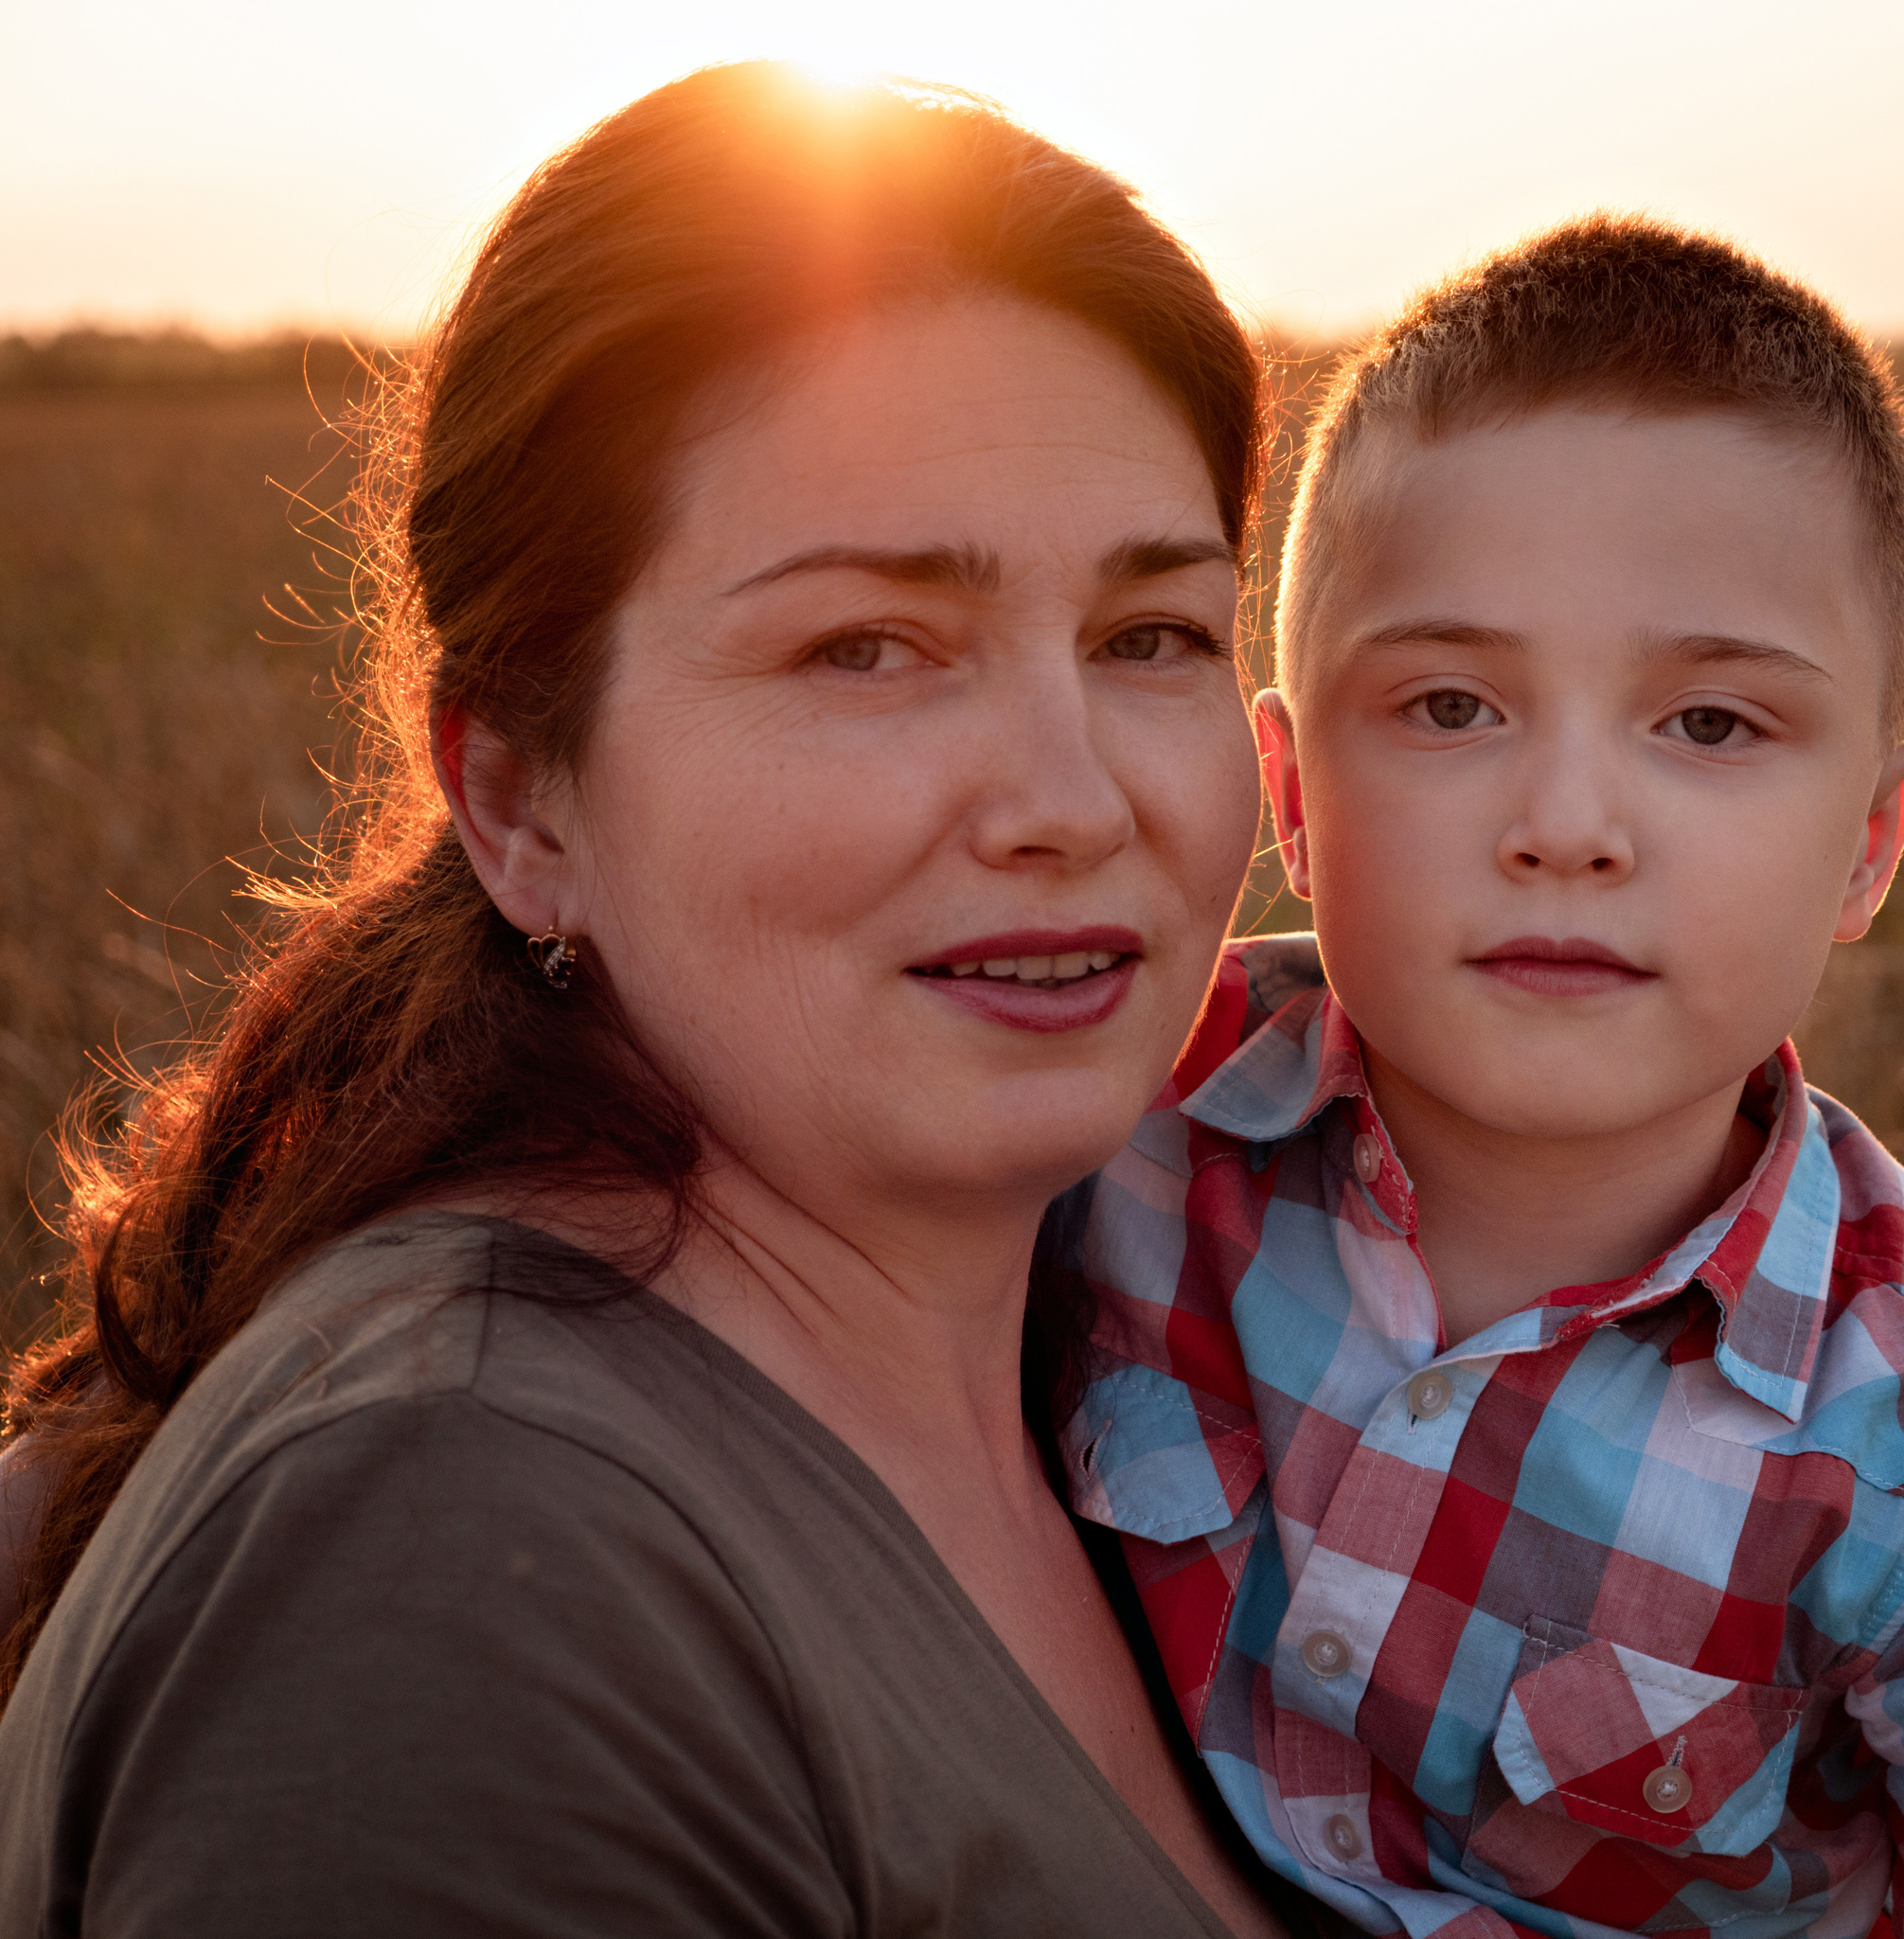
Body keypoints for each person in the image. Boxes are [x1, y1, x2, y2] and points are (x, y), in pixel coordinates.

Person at [0, 64, 1326, 1937]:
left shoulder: (1226, 1343)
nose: (1070, 793)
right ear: (521, 800)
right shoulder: (454, 1553)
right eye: (866, 647)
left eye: (1149, 638)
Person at [1057, 219, 1904, 1938]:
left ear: (1868, 846)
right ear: (1294, 791)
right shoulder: (1121, 1124)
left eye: (1709, 726)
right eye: (1453, 703)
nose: (1566, 829)